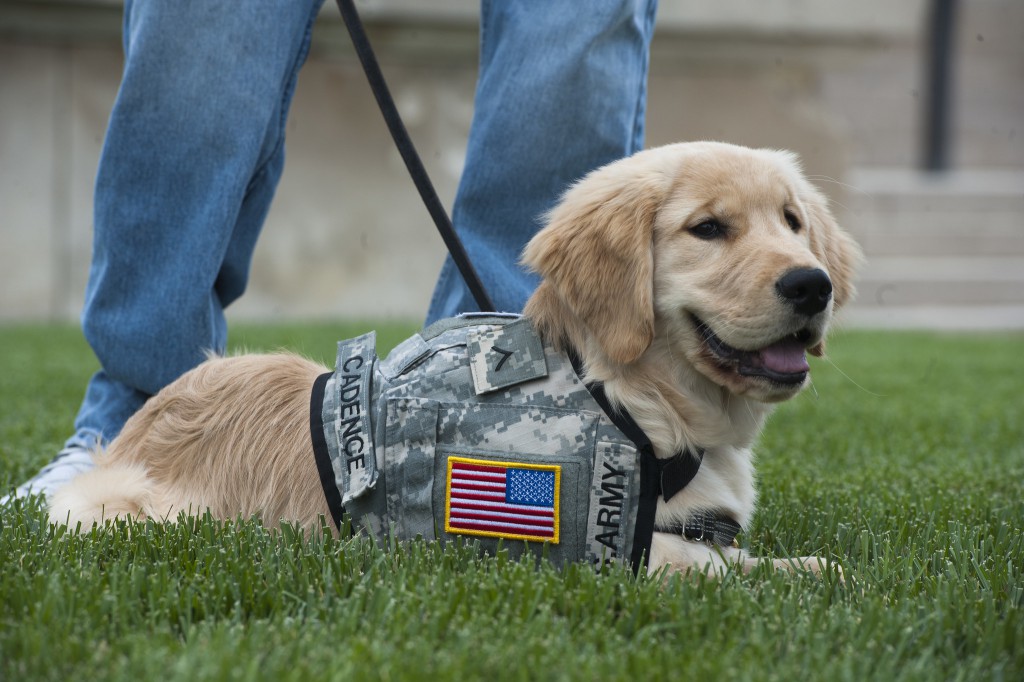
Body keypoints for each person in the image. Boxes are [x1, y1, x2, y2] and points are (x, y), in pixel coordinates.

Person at [4, 0, 658, 502]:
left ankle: (505, 426)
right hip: (149, 434)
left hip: (524, 405)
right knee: (202, 22)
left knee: (568, 36)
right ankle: (135, 429)